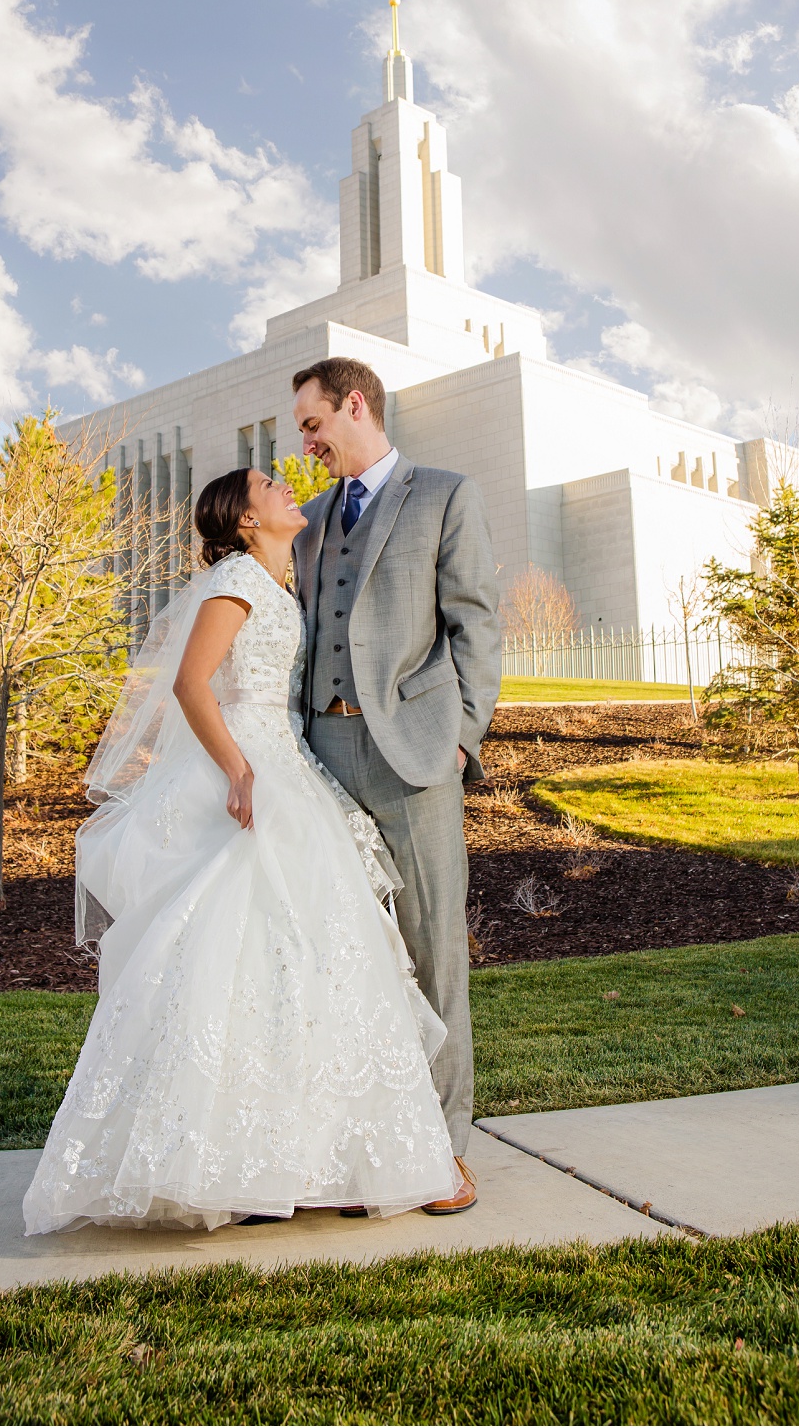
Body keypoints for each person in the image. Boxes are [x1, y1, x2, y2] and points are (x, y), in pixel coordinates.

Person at [22, 465, 459, 1235]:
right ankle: (227, 1157)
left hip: (288, 761)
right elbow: (192, 684)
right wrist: (238, 768)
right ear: (245, 519)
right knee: (240, 951)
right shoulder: (236, 579)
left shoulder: (274, 579)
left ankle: (299, 1155)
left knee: (298, 959)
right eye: (268, 484)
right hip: (254, 766)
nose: (286, 486)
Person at [292, 357, 501, 1215]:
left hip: (415, 752)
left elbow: (476, 623)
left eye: (312, 425)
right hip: (320, 752)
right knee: (345, 957)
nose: (304, 443)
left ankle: (445, 1153)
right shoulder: (303, 521)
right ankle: (363, 1151)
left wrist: (460, 738)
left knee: (430, 949)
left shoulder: (445, 493)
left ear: (355, 404)